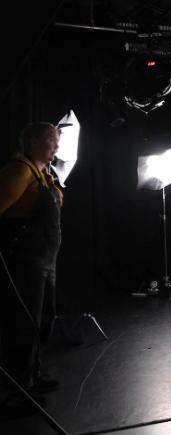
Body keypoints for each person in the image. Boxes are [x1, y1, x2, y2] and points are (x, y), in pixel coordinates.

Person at [0, 122, 63, 416]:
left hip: (44, 261)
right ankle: (16, 392)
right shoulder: (19, 170)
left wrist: (54, 186)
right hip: (24, 262)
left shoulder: (43, 175)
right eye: (52, 140)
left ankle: (32, 377)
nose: (56, 147)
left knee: (42, 321)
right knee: (23, 325)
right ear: (34, 140)